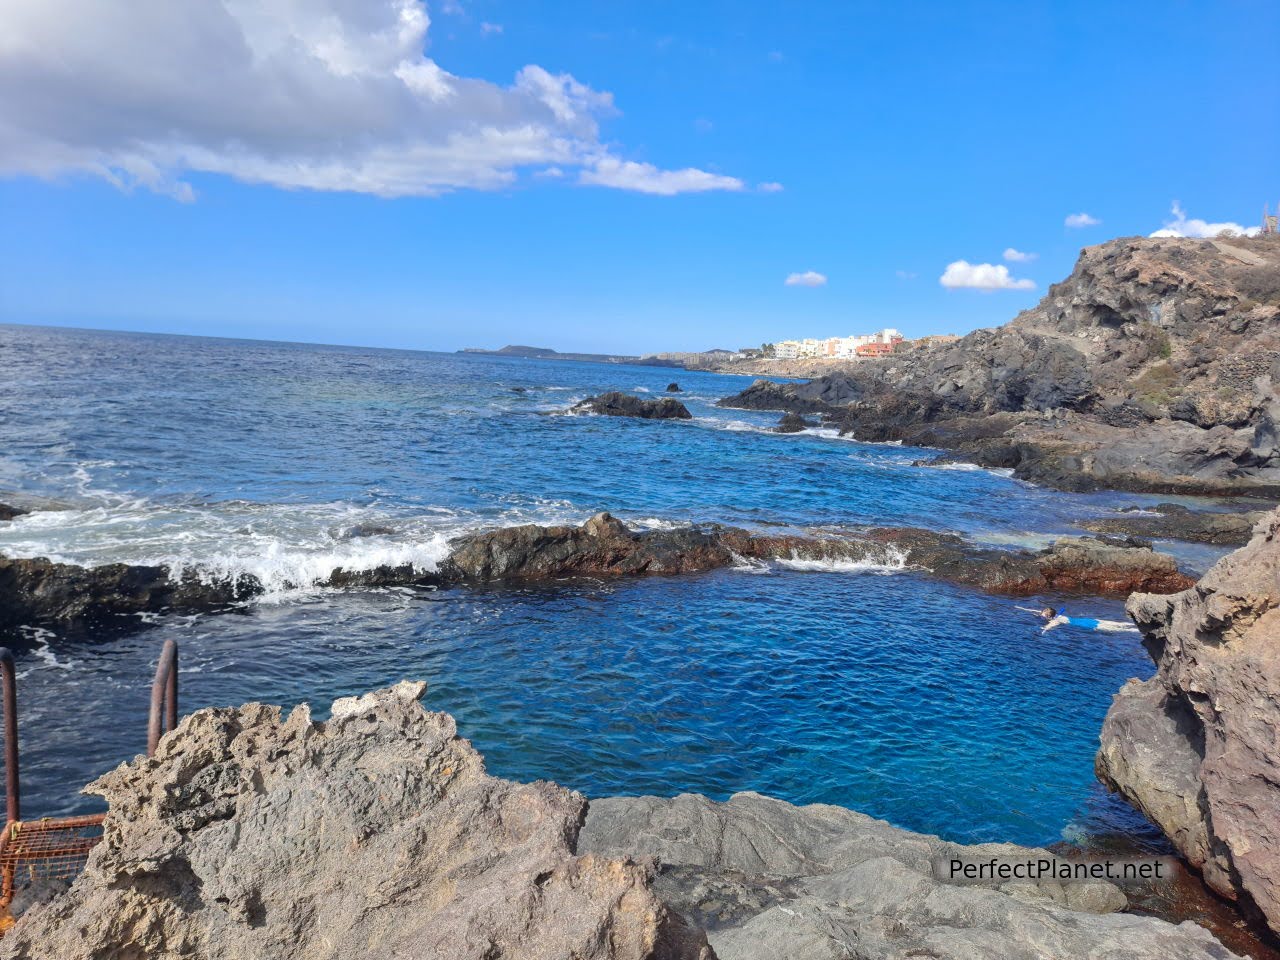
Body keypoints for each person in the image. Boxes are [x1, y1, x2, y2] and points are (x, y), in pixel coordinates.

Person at [1033, 606, 1139, 634]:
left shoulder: (1055, 621)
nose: (1041, 613)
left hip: (1089, 625)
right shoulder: (1059, 616)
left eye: (1043, 613)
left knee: (1118, 630)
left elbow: (1050, 626)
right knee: (1118, 624)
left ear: (1048, 616)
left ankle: (1137, 630)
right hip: (1089, 620)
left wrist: (1044, 629)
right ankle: (1136, 623)